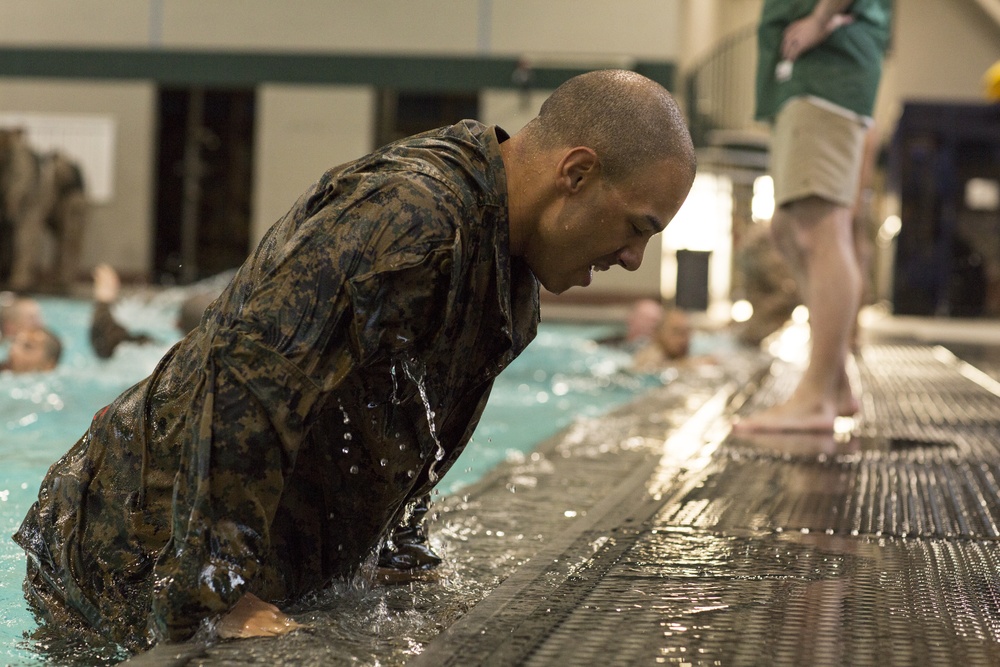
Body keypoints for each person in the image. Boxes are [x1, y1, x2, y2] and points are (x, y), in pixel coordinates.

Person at [13, 69, 696, 650]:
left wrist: (400, 565)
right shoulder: (409, 215)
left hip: (219, 546)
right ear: (575, 172)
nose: (634, 258)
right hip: (118, 546)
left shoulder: (510, 285)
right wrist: (224, 592)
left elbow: (411, 439)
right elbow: (249, 372)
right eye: (639, 227)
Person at [733, 0, 892, 433]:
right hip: (808, 76)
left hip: (826, 71)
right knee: (789, 229)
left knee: (820, 226)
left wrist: (822, 18)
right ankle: (834, 384)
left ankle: (817, 396)